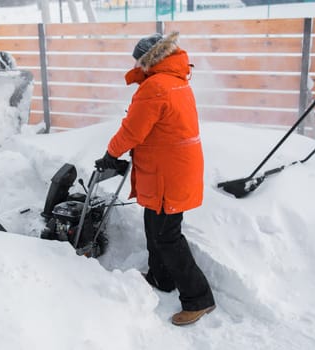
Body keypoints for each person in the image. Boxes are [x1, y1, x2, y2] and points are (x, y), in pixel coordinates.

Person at [95, 31, 215, 326]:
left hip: (167, 173)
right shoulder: (176, 81)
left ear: (148, 60)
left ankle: (198, 298)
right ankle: (161, 278)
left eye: (139, 61)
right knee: (154, 224)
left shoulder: (156, 87)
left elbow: (132, 131)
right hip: (172, 168)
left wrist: (111, 154)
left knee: (166, 235)